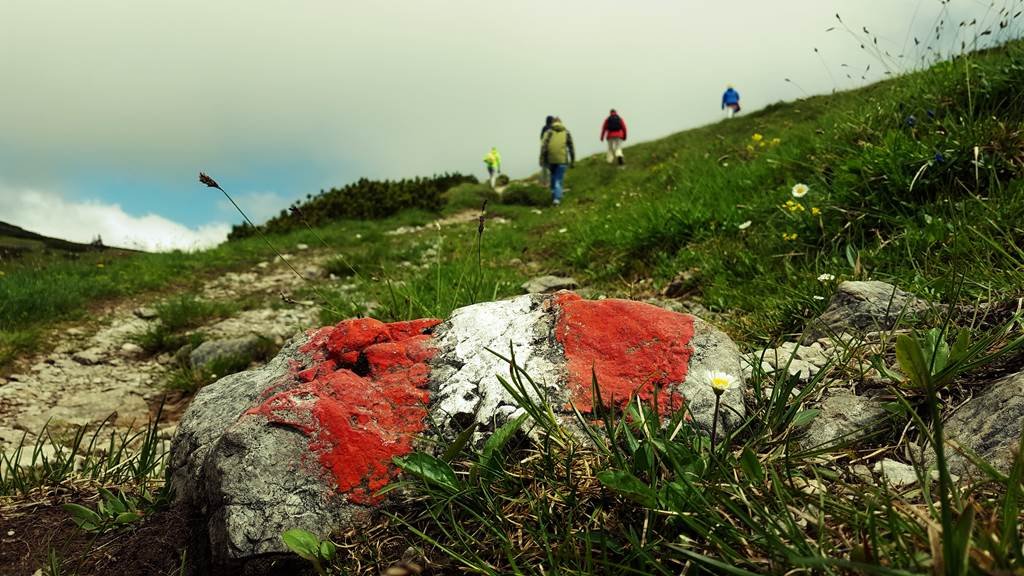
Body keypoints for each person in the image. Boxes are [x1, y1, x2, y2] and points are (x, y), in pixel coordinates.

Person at [539, 117, 575, 206]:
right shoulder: (566, 132)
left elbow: (544, 146)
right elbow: (571, 147)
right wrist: (572, 160)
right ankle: (556, 199)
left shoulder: (549, 132)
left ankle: (553, 194)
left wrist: (542, 158)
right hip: (562, 159)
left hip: (551, 159)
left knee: (553, 177)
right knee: (558, 179)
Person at [538, 115, 555, 186]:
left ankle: (544, 182)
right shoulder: (553, 128)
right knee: (551, 166)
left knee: (545, 166)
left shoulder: (544, 128)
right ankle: (550, 182)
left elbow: (541, 138)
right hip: (552, 149)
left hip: (544, 149)